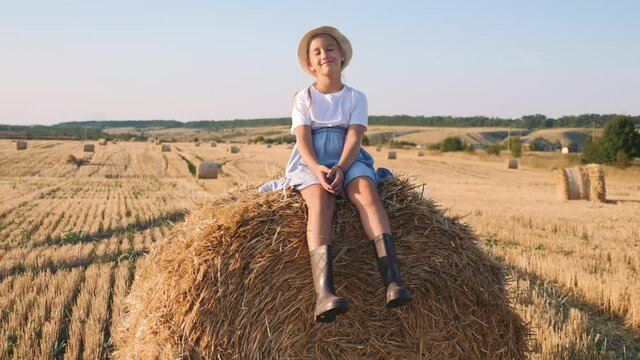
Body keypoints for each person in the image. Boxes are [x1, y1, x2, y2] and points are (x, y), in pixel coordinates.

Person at [259, 25, 411, 323]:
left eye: (330, 48)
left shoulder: (357, 97)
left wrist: (342, 167)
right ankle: (324, 293)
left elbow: (354, 138)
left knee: (367, 192)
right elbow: (302, 140)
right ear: (310, 65)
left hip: (348, 157)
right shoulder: (303, 97)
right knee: (321, 202)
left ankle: (392, 281)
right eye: (317, 52)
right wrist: (317, 168)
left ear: (342, 56)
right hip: (312, 160)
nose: (324, 54)